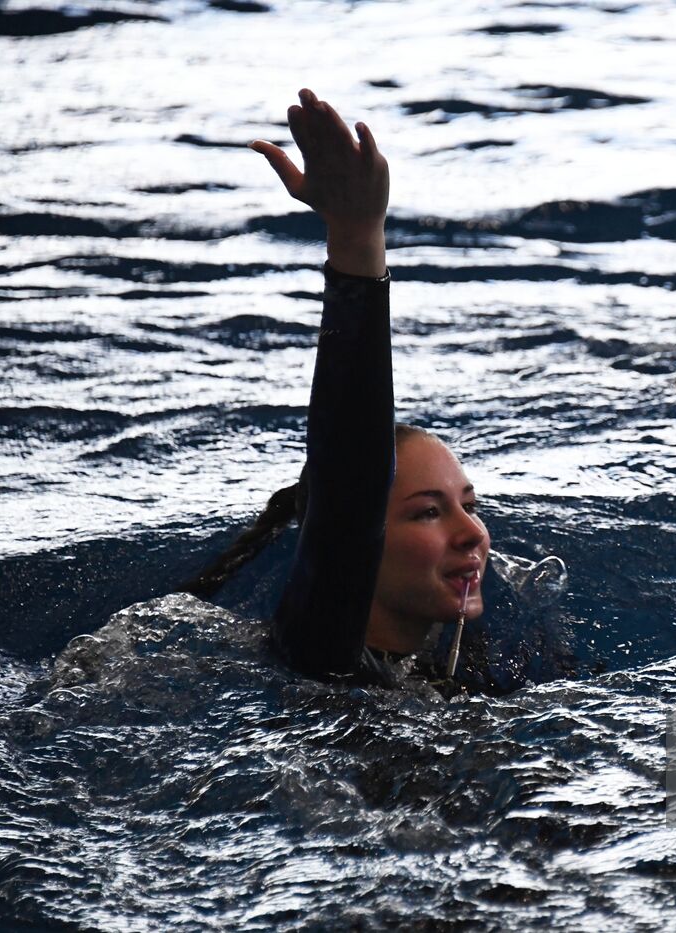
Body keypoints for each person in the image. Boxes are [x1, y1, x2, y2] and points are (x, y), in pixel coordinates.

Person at [180, 88, 490, 695]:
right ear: (365, 540)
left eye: (469, 505)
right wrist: (356, 238)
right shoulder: (323, 656)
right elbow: (351, 473)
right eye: (428, 511)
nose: (472, 533)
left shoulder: (455, 659)